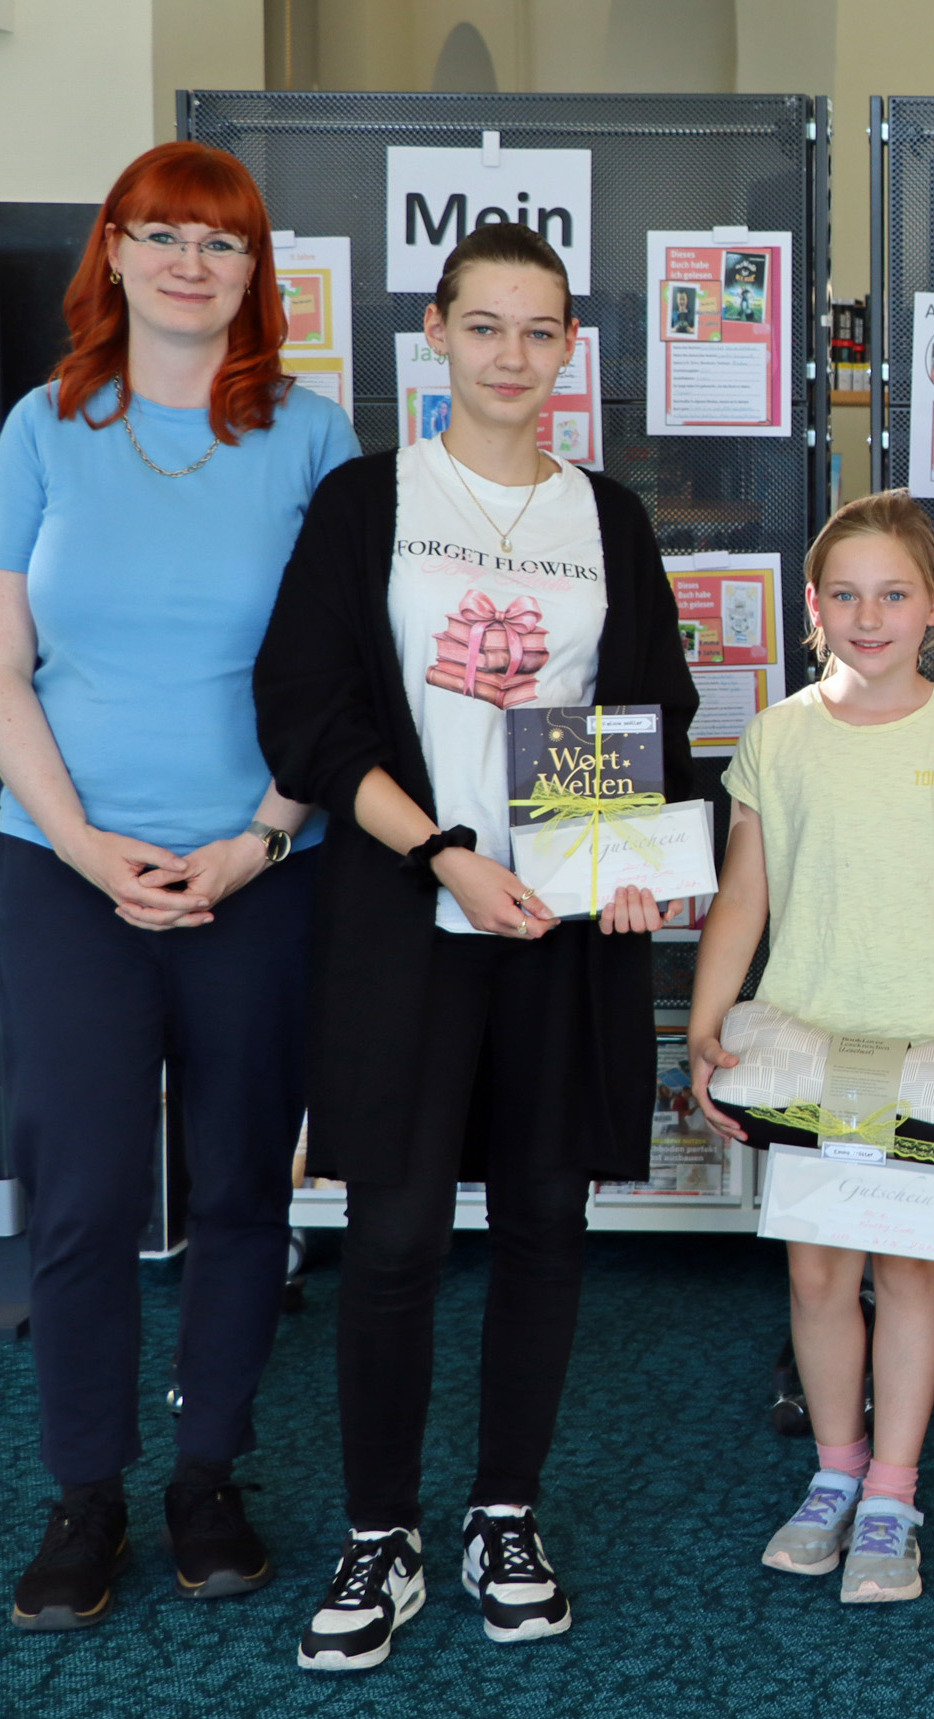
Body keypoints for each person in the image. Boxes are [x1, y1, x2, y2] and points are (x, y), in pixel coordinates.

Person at [252, 221, 697, 1673]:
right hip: (403, 914)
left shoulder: (608, 517)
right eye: (487, 325)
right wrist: (441, 848)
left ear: (572, 349)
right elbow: (310, 709)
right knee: (388, 1234)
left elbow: (649, 714)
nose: (514, 355)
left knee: (545, 1229)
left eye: (542, 330)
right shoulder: (367, 498)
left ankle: (506, 1510)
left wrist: (622, 865)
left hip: (561, 931)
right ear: (434, 333)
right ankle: (381, 1530)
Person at [0, 141, 359, 1632]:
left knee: (248, 1178)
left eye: (226, 241)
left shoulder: (313, 436)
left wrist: (260, 833)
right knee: (84, 1191)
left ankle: (208, 1469)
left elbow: (344, 676)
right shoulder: (45, 429)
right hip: (71, 870)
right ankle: (86, 1488)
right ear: (113, 253)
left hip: (263, 865)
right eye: (166, 234)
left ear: (259, 275)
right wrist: (79, 844)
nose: (195, 262)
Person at [684, 491, 934, 1605]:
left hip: (930, 1058)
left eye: (894, 593)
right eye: (844, 594)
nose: (869, 613)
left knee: (906, 1272)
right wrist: (706, 1024)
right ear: (812, 608)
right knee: (814, 1272)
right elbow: (743, 895)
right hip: (804, 1053)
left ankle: (893, 1489)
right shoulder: (777, 736)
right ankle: (835, 1471)